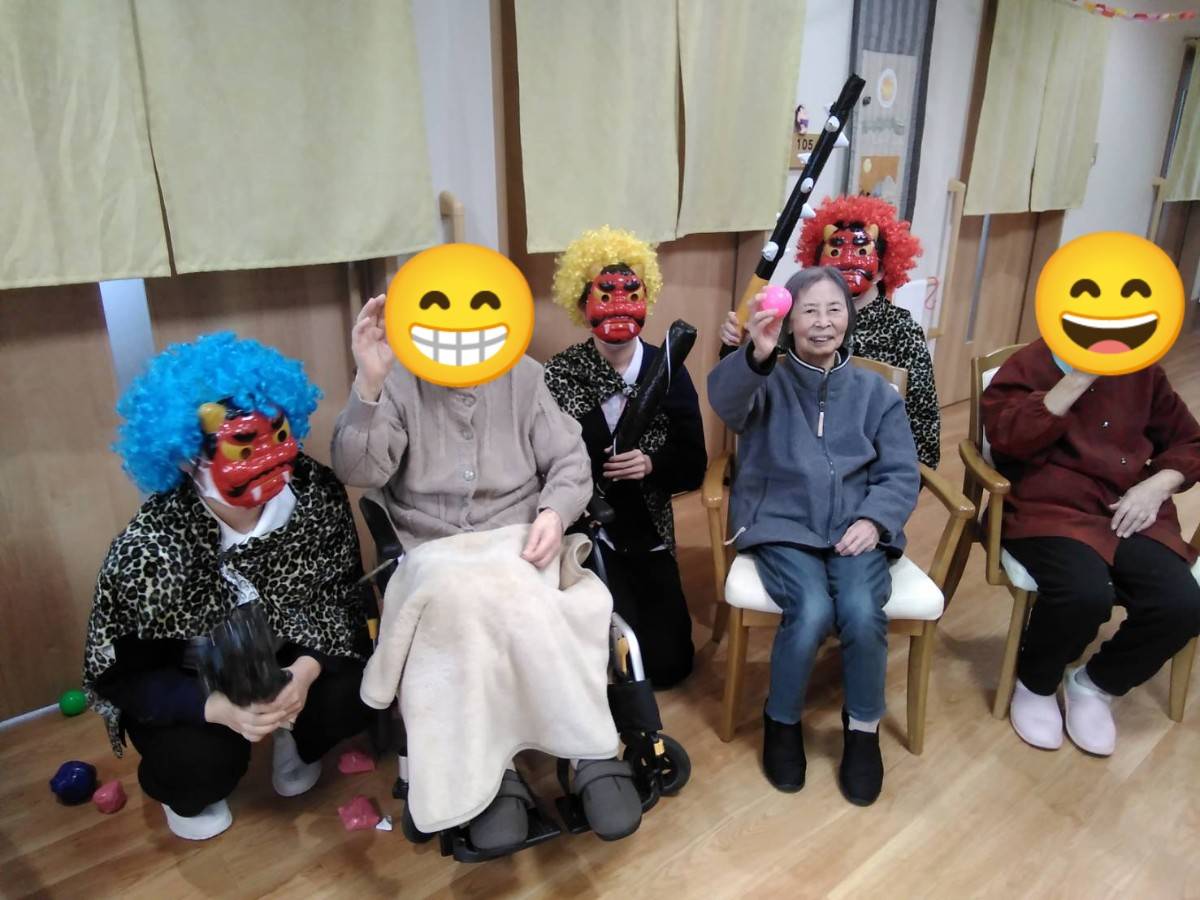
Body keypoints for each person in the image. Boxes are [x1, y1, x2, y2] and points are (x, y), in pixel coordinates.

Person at [332, 293, 643, 850]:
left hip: (517, 538)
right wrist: (370, 384)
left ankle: (587, 749)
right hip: (434, 548)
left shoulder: (525, 376)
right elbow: (357, 470)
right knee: (458, 614)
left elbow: (570, 460)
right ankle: (489, 775)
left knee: (541, 606)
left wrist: (555, 512)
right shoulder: (399, 382)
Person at [83, 333, 372, 841]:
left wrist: (304, 674)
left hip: (290, 653)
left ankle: (296, 739)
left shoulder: (314, 494)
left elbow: (343, 601)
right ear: (183, 457)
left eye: (278, 434)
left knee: (358, 686)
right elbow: (124, 676)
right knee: (196, 765)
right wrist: (215, 707)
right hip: (193, 680)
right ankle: (196, 782)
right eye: (243, 445)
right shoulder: (150, 550)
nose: (268, 458)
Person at [708, 267, 919, 806]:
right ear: (789, 321)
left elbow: (900, 472)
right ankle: (781, 721)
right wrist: (756, 355)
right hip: (782, 523)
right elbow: (725, 403)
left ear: (849, 317)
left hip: (856, 528)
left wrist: (874, 520)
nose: (823, 322)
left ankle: (863, 730)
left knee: (861, 609)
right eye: (808, 311)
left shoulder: (876, 393)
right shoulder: (766, 380)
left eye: (834, 309)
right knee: (810, 608)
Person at [982, 339, 1200, 755]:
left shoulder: (1144, 372)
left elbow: (1190, 441)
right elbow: (1007, 440)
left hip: (1127, 506)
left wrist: (1159, 484)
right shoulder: (1031, 363)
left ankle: (1095, 684)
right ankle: (1036, 682)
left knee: (1182, 604)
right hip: (1049, 507)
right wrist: (1080, 375)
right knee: (1083, 594)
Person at [544, 226, 706, 688]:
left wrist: (652, 464)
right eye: (603, 294)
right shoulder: (561, 374)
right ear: (581, 305)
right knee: (598, 659)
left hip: (648, 528)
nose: (618, 305)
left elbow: (693, 462)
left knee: (669, 665)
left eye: (631, 294)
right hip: (587, 530)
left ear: (645, 300)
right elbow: (548, 462)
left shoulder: (668, 369)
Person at [720, 195, 940, 468]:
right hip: (795, 465)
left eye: (861, 252)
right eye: (835, 253)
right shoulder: (793, 322)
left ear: (882, 269)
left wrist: (892, 486)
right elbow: (744, 402)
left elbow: (923, 431)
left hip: (868, 475)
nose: (846, 262)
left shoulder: (903, 333)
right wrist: (742, 349)